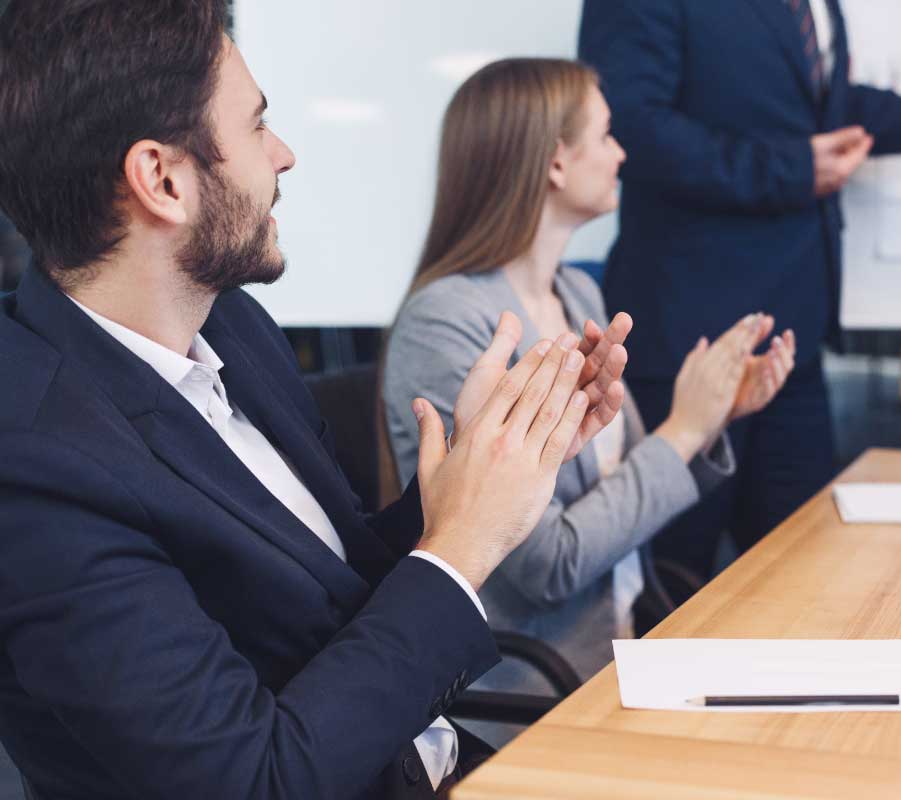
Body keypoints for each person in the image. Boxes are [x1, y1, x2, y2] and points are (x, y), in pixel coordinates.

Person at [0, 2, 631, 797]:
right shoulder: (34, 468)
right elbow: (255, 780)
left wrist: (493, 459)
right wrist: (461, 545)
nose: (285, 155)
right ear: (162, 179)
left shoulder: (232, 324)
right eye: (258, 128)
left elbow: (326, 589)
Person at [579, 0, 901, 576]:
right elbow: (634, 126)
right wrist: (790, 169)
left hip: (791, 341)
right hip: (688, 341)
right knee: (672, 585)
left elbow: (831, 110)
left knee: (806, 576)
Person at [382, 59, 796, 703]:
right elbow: (548, 564)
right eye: (606, 135)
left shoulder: (577, 290)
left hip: (627, 649)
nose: (622, 152)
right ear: (554, 163)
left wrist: (709, 416)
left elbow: (624, 492)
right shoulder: (446, 322)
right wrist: (681, 433)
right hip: (538, 689)